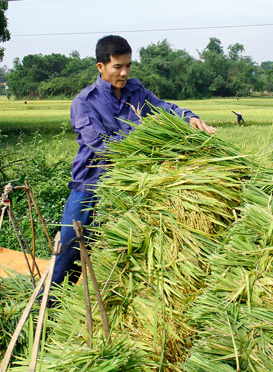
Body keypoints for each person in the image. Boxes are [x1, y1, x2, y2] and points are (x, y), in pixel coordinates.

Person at [51, 35, 216, 287]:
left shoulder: (137, 92)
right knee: (71, 248)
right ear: (101, 67)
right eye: (118, 66)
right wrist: (147, 143)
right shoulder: (84, 102)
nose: (124, 72)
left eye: (128, 65)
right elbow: (101, 145)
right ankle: (49, 303)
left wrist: (188, 118)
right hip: (91, 187)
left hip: (130, 186)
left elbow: (165, 108)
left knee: (117, 251)